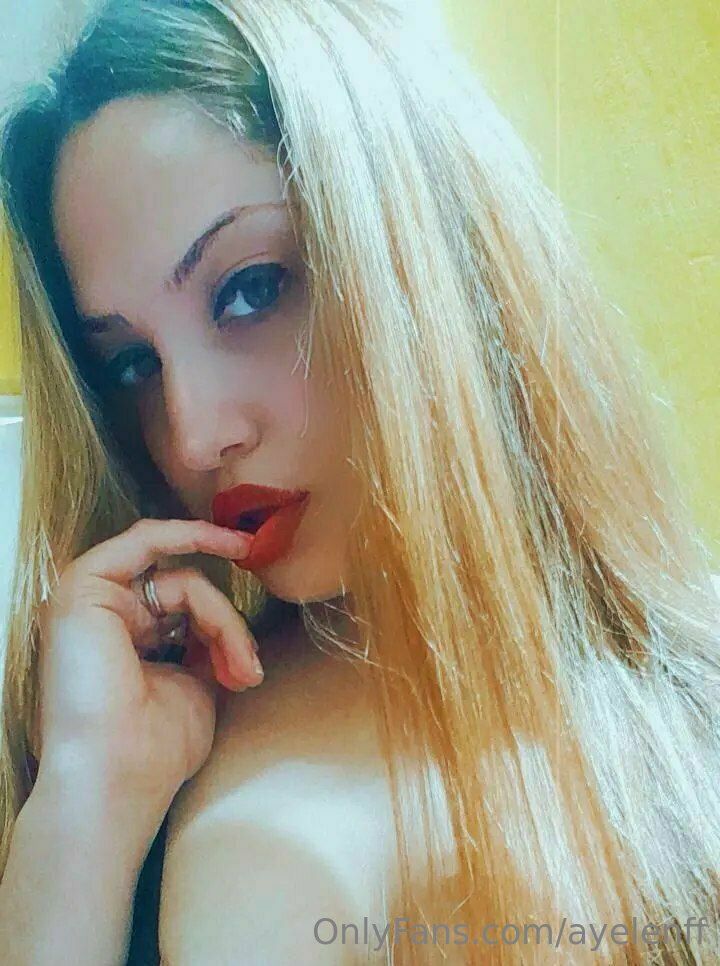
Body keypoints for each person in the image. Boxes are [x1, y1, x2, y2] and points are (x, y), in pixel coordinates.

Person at [0, 1, 719, 963]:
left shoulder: (682, 717)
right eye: (132, 363)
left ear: (422, 253)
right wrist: (81, 815)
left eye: (251, 290)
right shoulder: (142, 742)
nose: (197, 434)